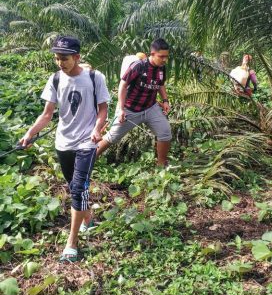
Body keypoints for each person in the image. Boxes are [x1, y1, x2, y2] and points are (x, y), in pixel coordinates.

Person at [19, 36, 110, 263]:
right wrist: (30, 133)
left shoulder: (94, 77)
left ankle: (72, 243)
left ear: (77, 57)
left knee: (79, 188)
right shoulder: (56, 79)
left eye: (65, 58)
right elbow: (48, 113)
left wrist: (98, 128)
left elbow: (103, 109)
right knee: (73, 186)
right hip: (63, 142)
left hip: (87, 142)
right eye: (57, 58)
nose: (60, 63)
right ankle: (88, 218)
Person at [97, 38, 172, 166]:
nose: (164, 59)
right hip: (131, 109)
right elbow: (123, 86)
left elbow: (161, 84)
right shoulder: (139, 66)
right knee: (112, 137)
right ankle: (87, 159)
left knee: (165, 133)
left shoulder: (161, 68)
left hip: (150, 107)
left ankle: (161, 165)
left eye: (166, 57)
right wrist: (121, 109)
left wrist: (165, 101)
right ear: (152, 54)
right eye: (161, 56)